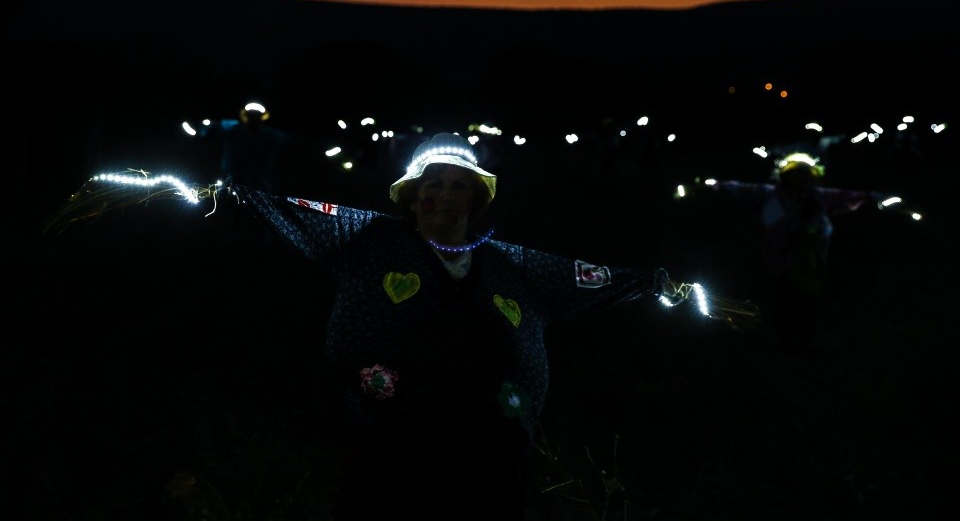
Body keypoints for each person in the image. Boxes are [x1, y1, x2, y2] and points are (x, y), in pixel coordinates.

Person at [45, 132, 756, 520]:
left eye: (459, 187)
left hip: (490, 454)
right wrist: (218, 194)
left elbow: (592, 276)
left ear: (476, 200)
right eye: (434, 185)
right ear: (412, 196)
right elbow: (286, 206)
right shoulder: (367, 239)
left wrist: (663, 287)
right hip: (388, 445)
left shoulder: (513, 265)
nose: (445, 195)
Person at [681, 152, 880, 355]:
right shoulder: (771, 194)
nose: (801, 178)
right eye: (795, 173)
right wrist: (711, 186)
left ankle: (805, 344)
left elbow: (847, 196)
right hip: (779, 262)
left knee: (808, 304)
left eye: (805, 174)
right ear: (785, 175)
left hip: (811, 263)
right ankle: (784, 343)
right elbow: (741, 189)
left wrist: (874, 197)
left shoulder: (818, 196)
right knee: (784, 303)